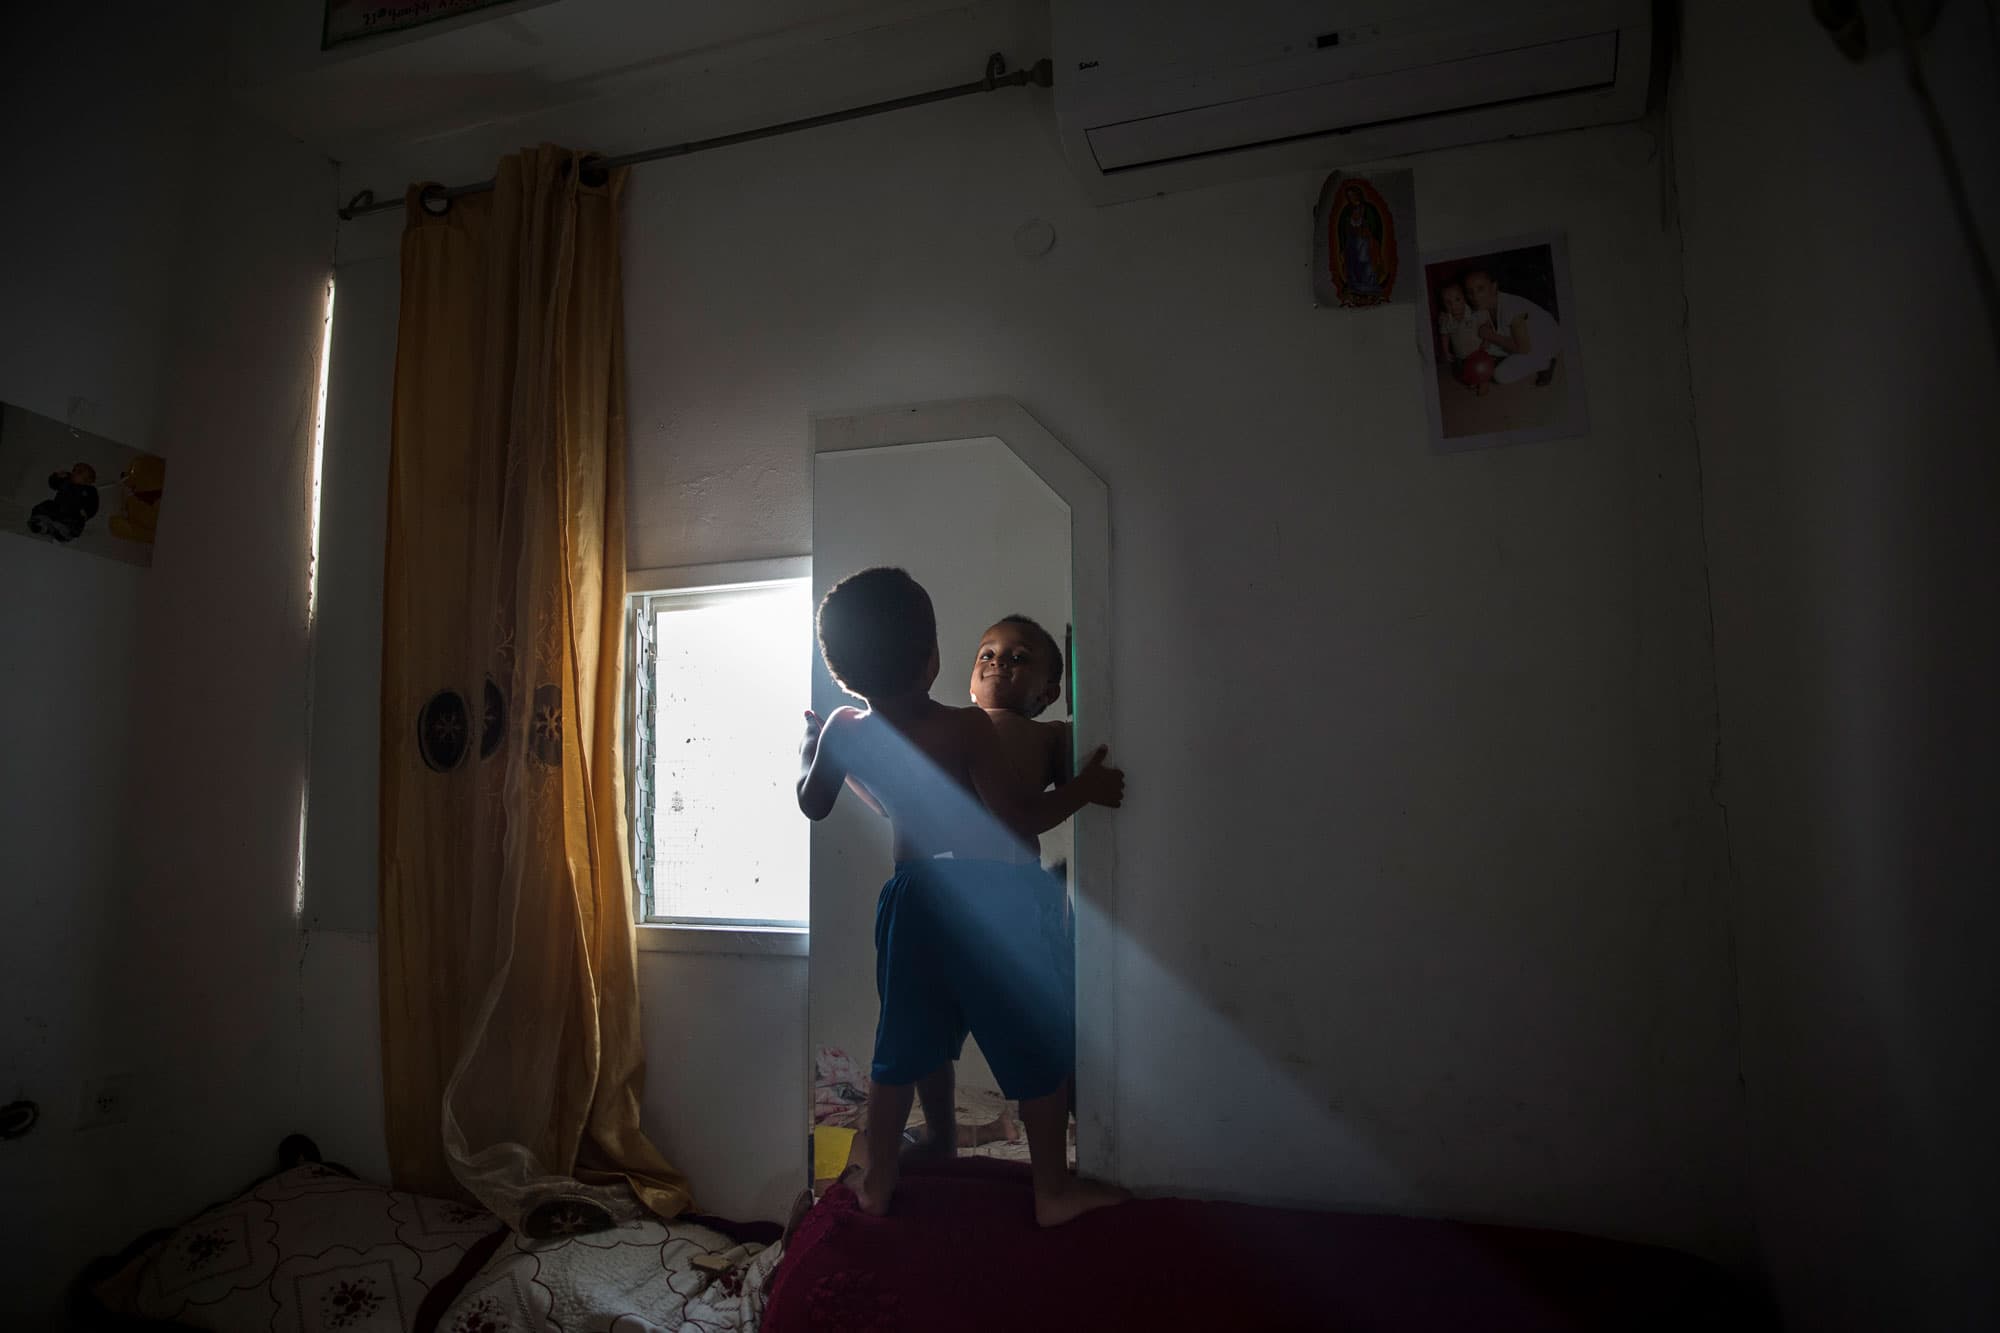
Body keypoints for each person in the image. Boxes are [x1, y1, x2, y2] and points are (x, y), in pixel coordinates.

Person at [797, 567, 1127, 1226]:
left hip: (913, 895)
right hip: (993, 895)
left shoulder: (843, 726)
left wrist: (814, 746)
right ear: (933, 660)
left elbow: (816, 800)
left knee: (901, 1045)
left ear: (842, 674)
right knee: (1033, 1041)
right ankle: (1052, 1191)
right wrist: (1085, 790)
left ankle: (880, 1179)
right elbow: (1017, 818)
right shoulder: (965, 728)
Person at [1466, 269, 1563, 386]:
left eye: (1480, 289)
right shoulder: (1486, 305)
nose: (1475, 297)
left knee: (1500, 375)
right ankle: (1510, 357)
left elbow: (1524, 348)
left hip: (1546, 341)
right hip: (1522, 339)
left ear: (1493, 287)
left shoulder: (1510, 307)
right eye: (1470, 292)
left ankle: (1546, 363)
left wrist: (1492, 336)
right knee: (1482, 344)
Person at [1436, 283, 1497, 395]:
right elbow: (1445, 335)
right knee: (1463, 372)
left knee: (1483, 369)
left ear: (1464, 298)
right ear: (1443, 304)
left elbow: (1487, 326)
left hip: (1479, 351)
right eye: (1448, 303)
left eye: (1457, 299)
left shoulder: (1475, 313)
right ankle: (1474, 379)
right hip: (1461, 354)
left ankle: (1484, 382)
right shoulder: (1446, 319)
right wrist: (1446, 351)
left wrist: (1486, 340)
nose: (1453, 305)